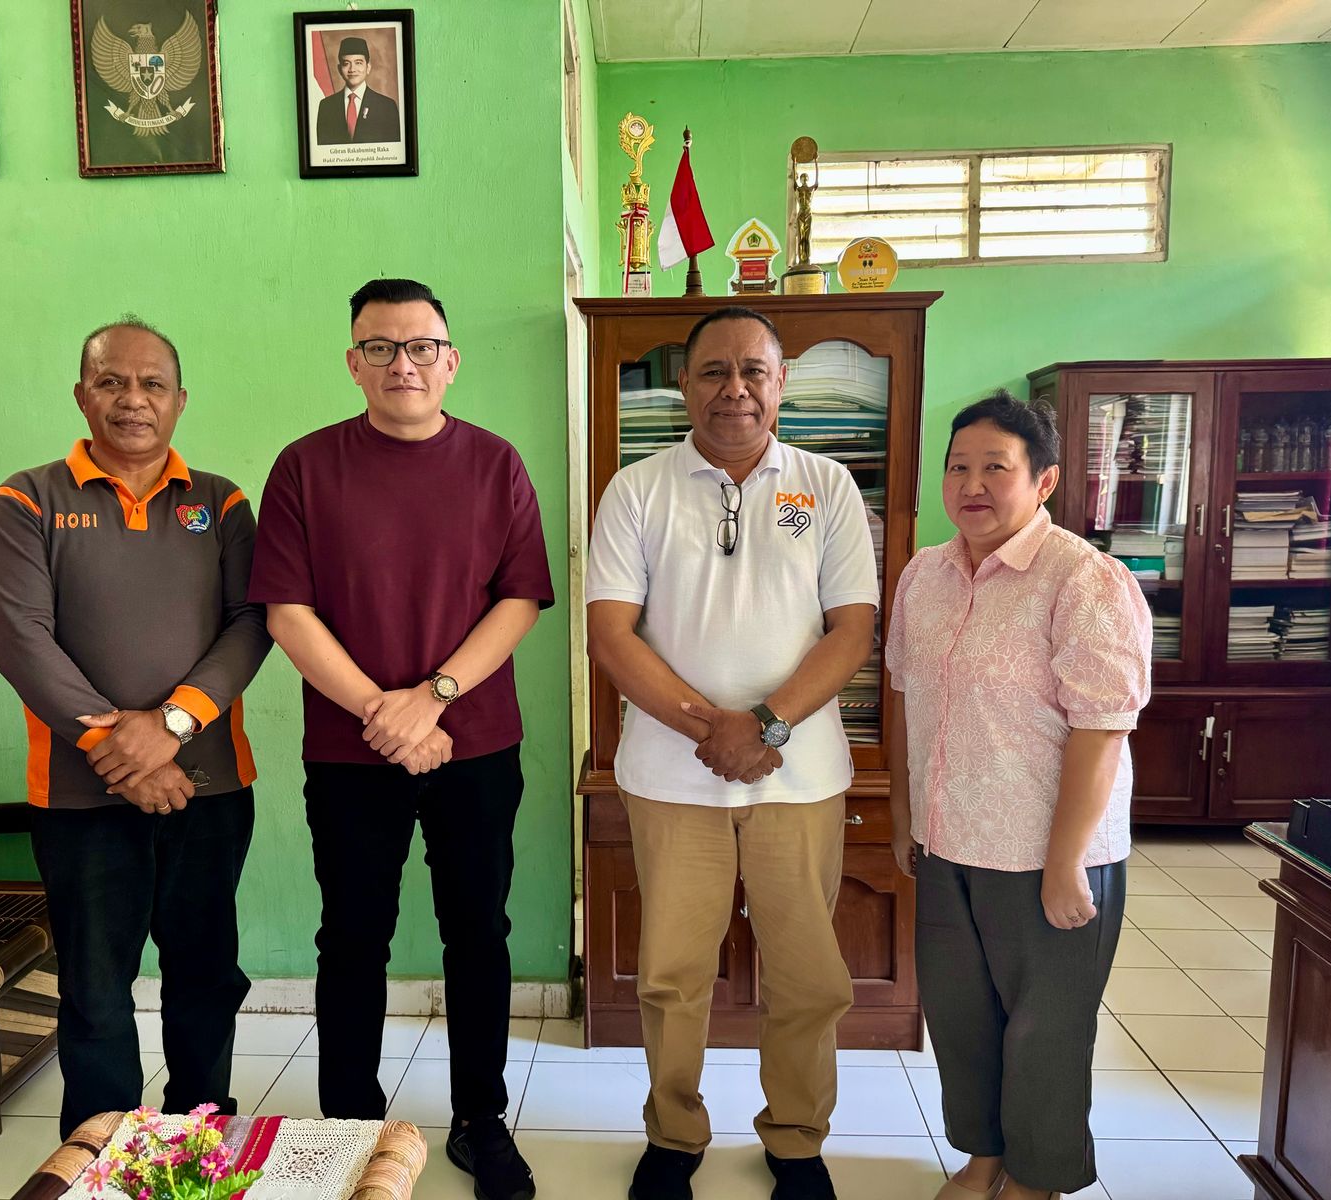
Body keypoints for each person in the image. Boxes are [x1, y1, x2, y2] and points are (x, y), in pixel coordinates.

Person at [249, 278, 552, 1200]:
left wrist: (434, 696)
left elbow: (519, 598)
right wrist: (387, 713)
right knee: (352, 936)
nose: (403, 363)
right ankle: (348, 1119)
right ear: (353, 363)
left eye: (421, 346)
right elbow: (285, 612)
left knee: (478, 933)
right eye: (380, 347)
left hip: (476, 744)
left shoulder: (496, 463)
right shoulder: (305, 467)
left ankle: (480, 1118)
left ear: (451, 361)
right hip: (350, 752)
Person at [586, 306, 878, 1200]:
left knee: (807, 977)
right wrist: (710, 727)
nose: (735, 389)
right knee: (672, 977)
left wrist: (768, 726)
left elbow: (852, 630)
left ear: (781, 380)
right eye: (714, 371)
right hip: (673, 779)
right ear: (685, 383)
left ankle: (796, 1141)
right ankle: (674, 1138)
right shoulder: (636, 489)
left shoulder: (827, 486)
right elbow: (611, 633)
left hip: (800, 780)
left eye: (754, 370)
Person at [0, 318, 271, 1139]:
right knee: (97, 986)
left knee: (206, 973)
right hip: (79, 794)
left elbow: (252, 623)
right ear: (82, 396)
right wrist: (118, 748)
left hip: (209, 785)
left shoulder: (221, 502)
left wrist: (171, 726)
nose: (132, 400)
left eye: (151, 385)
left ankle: (200, 1133)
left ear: (180, 400)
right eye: (111, 382)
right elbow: (19, 637)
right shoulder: (26, 498)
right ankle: (100, 1148)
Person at [884, 392, 1152, 1200]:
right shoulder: (924, 574)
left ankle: (1036, 1178)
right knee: (962, 1023)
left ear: (1043, 481)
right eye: (958, 466)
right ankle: (984, 1156)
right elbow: (907, 695)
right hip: (947, 841)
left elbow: (1102, 727)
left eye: (995, 467)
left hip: (1046, 853)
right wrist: (904, 816)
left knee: (1046, 1031)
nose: (972, 483)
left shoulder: (1086, 579)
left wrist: (1067, 862)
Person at [314, 36, 402, 145]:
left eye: (358, 63)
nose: (352, 69)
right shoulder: (326, 106)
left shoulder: (386, 106)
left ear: (368, 67)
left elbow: (393, 151)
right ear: (339, 69)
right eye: (346, 63)